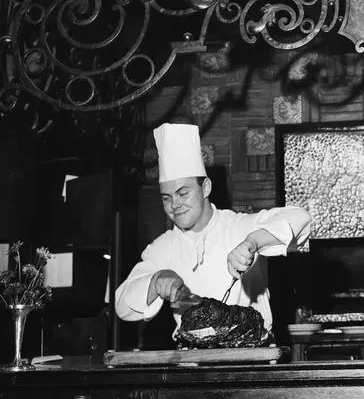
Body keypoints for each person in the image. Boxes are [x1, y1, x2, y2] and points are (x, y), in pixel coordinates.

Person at [114, 123, 311, 336]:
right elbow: (122, 307)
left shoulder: (239, 225)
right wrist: (156, 280)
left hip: (251, 353)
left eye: (183, 193)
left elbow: (301, 218)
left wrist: (253, 242)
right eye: (166, 198)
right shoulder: (162, 247)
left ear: (206, 187)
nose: (174, 205)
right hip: (191, 354)